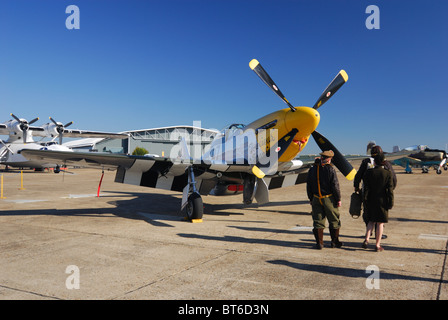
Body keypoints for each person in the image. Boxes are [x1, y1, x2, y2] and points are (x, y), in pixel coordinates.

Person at [354, 145, 397, 238]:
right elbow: (393, 179)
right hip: (382, 195)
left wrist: (356, 188)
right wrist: (390, 190)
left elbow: (358, 176)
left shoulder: (366, 162)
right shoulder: (386, 163)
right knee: (380, 215)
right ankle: (379, 234)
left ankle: (369, 233)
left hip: (367, 193)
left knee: (368, 214)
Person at [306, 150, 342, 249]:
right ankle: (334, 242)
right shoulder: (330, 169)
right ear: (329, 159)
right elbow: (335, 185)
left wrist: (310, 198)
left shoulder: (312, 169)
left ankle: (319, 243)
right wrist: (338, 199)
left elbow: (308, 185)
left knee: (318, 221)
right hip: (328, 198)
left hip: (316, 198)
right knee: (334, 220)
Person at [362, 152, 394, 252]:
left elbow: (366, 188)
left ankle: (367, 239)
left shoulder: (368, 172)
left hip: (371, 199)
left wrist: (365, 200)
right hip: (382, 201)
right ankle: (377, 244)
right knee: (380, 223)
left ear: (374, 162)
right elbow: (390, 190)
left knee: (371, 221)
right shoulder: (387, 173)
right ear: (383, 162)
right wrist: (391, 202)